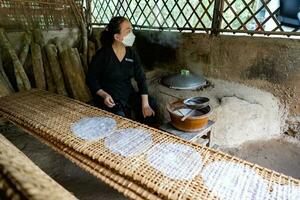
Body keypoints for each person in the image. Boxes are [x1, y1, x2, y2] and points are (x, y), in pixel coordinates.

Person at [86, 16, 157, 125]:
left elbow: (141, 78)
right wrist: (104, 95)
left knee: (150, 106)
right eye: (128, 31)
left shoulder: (131, 53)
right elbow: (91, 79)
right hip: (110, 98)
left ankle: (145, 137)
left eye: (131, 30)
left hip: (128, 94)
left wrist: (145, 104)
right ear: (117, 37)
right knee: (120, 120)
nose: (132, 34)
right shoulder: (103, 54)